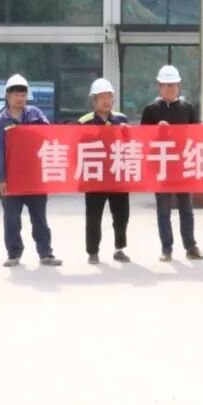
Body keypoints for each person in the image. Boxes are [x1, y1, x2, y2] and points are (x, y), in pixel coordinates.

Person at [0, 74, 62, 268]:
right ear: (7, 96)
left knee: (40, 218)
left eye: (23, 94)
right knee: (12, 219)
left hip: (34, 178)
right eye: (16, 94)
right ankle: (13, 254)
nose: (19, 98)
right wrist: (1, 178)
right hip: (12, 179)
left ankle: (46, 253)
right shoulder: (0, 122)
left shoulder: (35, 115)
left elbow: (49, 135)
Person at [141, 65, 203, 262]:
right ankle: (167, 248)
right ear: (159, 87)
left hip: (183, 166)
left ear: (179, 86)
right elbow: (143, 140)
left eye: (173, 85)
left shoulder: (187, 108)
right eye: (165, 85)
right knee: (163, 210)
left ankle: (190, 246)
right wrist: (156, 131)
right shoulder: (151, 110)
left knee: (186, 209)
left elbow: (195, 136)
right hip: (161, 167)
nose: (169, 89)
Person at [78, 78, 131, 265]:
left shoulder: (121, 120)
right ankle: (93, 251)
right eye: (101, 97)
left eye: (109, 97)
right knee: (93, 216)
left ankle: (119, 248)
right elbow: (76, 148)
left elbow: (130, 146)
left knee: (121, 215)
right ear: (94, 100)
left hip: (117, 175)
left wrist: (127, 133)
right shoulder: (84, 122)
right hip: (95, 177)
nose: (106, 101)